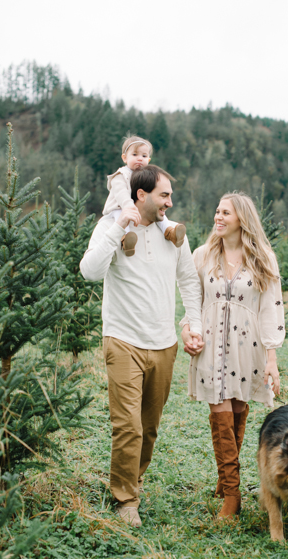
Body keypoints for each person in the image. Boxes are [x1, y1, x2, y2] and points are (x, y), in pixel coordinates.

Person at [80, 164, 203, 527]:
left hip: (164, 344)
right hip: (123, 340)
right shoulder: (110, 228)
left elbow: (189, 282)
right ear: (141, 195)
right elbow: (90, 270)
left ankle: (132, 480)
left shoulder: (174, 234)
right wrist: (119, 227)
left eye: (170, 195)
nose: (169, 201)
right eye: (164, 195)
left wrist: (193, 323)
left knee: (148, 427)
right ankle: (125, 499)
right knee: (128, 426)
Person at [180, 191, 284, 520]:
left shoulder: (263, 258)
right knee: (220, 410)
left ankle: (225, 478)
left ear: (242, 219)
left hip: (247, 348)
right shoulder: (203, 255)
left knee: (238, 409)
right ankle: (232, 494)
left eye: (226, 212)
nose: (218, 217)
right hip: (210, 345)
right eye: (217, 211)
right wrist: (187, 330)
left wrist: (271, 359)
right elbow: (190, 301)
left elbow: (271, 309)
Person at [101, 135, 186, 256]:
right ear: (125, 158)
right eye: (135, 155)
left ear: (149, 160)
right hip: (119, 207)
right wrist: (129, 207)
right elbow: (121, 194)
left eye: (144, 156)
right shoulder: (120, 175)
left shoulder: (146, 176)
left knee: (159, 214)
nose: (140, 159)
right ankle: (126, 240)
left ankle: (170, 233)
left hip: (138, 208)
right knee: (121, 218)